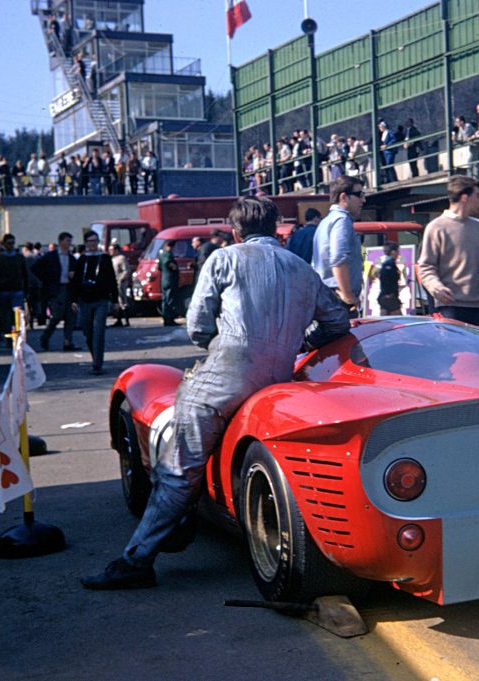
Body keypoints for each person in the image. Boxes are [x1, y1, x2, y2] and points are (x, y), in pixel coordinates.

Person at [81, 197, 351, 590]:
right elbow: (337, 321)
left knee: (175, 471)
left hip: (222, 379)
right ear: (277, 228)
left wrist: (220, 346)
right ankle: (186, 518)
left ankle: (137, 559)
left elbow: (197, 327)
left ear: (236, 231)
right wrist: (297, 342)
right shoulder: (302, 269)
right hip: (276, 384)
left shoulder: (224, 259)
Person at [417, 176, 479, 328]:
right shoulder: (436, 227)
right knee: (455, 352)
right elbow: (426, 266)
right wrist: (437, 288)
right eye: (477, 195)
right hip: (450, 306)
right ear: (464, 198)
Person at [313, 175, 366, 317]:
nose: (363, 200)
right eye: (359, 195)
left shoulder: (326, 221)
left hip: (326, 296)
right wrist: (348, 296)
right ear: (344, 197)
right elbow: (338, 259)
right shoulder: (342, 220)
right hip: (338, 299)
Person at [71, 230, 117, 375]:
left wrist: (115, 299)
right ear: (85, 243)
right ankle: (95, 356)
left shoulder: (104, 258)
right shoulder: (82, 260)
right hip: (85, 301)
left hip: (101, 300)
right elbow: (76, 281)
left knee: (98, 332)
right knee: (88, 332)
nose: (93, 244)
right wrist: (74, 299)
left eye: (95, 241)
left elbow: (112, 280)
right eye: (90, 241)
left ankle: (97, 363)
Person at [33, 232, 79, 351]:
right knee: (57, 316)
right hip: (56, 290)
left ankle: (68, 342)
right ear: (61, 241)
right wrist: (46, 279)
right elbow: (35, 267)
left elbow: (77, 273)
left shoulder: (71, 257)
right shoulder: (51, 256)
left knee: (70, 316)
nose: (69, 243)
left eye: (70, 241)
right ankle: (45, 336)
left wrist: (74, 275)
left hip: (68, 288)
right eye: (67, 241)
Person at [0, 233, 29, 345]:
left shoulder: (19, 257)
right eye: (9, 243)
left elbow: (25, 274)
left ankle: (16, 336)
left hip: (17, 289)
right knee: (5, 317)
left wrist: (26, 290)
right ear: (4, 244)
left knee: (16, 315)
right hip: (3, 290)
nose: (11, 245)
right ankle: (8, 337)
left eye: (12, 243)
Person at [375, 242, 404, 315]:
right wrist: (388, 293)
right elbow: (385, 279)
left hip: (387, 296)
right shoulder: (389, 264)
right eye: (397, 251)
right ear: (393, 252)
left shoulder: (389, 263)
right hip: (389, 297)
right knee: (399, 321)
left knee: (385, 320)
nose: (398, 254)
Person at [158, 239, 180, 326]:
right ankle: (169, 318)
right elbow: (168, 263)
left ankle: (166, 317)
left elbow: (159, 267)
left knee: (165, 300)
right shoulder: (168, 254)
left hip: (164, 279)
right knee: (169, 299)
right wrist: (174, 267)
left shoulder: (161, 254)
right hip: (170, 279)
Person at [110, 243, 132, 327]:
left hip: (120, 283)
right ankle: (118, 320)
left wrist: (121, 279)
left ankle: (126, 320)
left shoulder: (121, 258)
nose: (110, 251)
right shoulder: (112, 259)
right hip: (113, 283)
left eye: (112, 250)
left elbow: (126, 270)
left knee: (123, 301)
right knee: (116, 301)